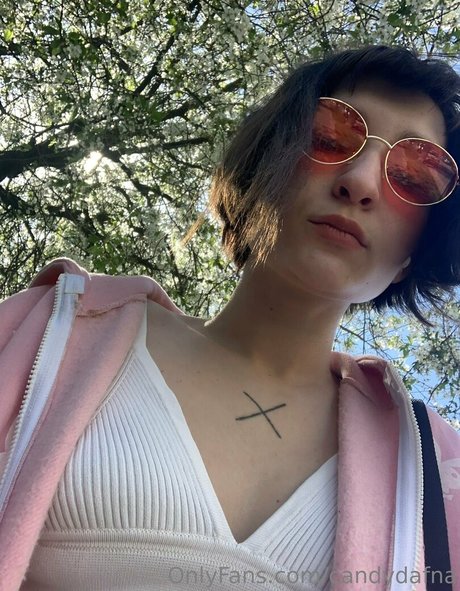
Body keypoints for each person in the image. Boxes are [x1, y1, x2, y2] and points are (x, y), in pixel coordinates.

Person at [0, 44, 459, 591]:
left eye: (414, 177)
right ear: (267, 160)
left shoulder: (436, 472)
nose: (359, 181)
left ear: (415, 253)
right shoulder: (43, 333)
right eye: (330, 136)